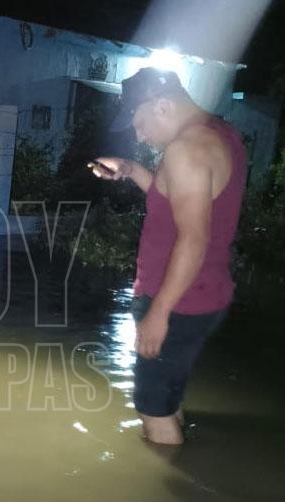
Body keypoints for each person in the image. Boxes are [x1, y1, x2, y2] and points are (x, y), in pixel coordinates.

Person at [89, 67, 246, 444]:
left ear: (162, 105)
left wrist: (159, 313)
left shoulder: (185, 150)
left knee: (153, 411)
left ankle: (169, 471)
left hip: (177, 301)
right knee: (167, 398)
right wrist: (130, 169)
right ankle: (181, 445)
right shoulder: (218, 134)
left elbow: (193, 240)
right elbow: (173, 198)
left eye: (140, 124)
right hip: (202, 295)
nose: (140, 135)